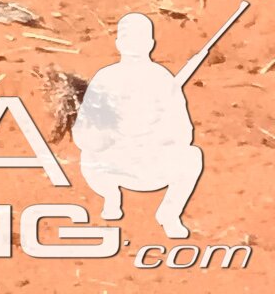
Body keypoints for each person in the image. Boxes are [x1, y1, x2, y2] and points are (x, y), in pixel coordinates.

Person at [74, 14, 208, 238]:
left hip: (151, 164)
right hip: (113, 163)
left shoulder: (162, 79)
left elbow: (183, 132)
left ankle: (169, 213)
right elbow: (84, 131)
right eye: (129, 38)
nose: (133, 44)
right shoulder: (105, 78)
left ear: (150, 44)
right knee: (88, 154)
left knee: (192, 156)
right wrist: (109, 136)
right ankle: (111, 196)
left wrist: (154, 134)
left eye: (138, 38)